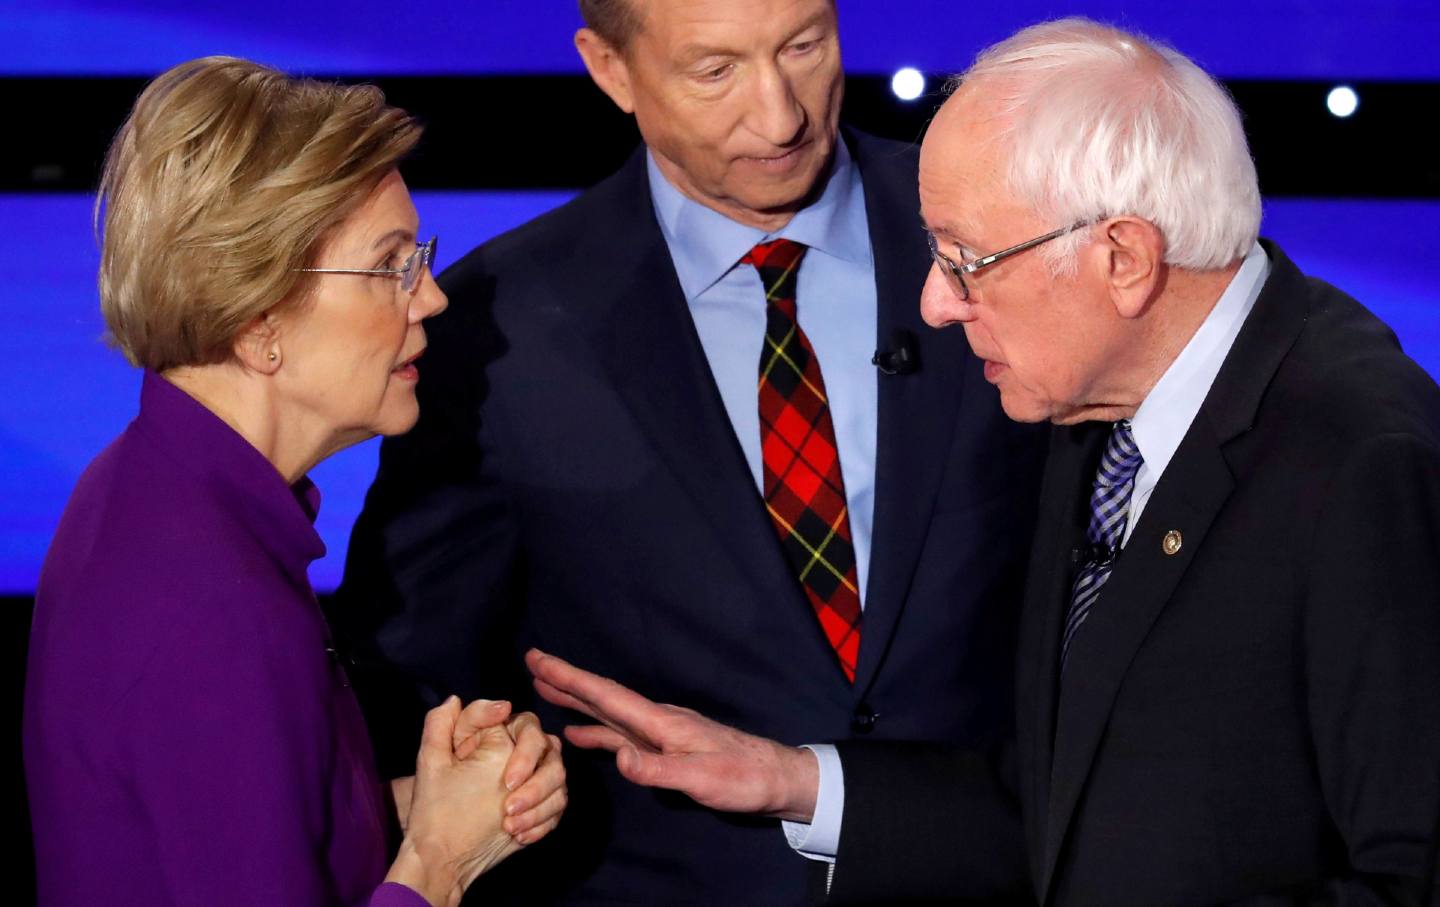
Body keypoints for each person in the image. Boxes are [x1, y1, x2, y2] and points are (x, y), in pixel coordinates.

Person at [525, 17, 1440, 906]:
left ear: (1123, 257)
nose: (934, 304)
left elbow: (1414, 874)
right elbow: (1064, 809)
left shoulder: (1362, 460)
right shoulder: (1097, 415)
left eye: (965, 260)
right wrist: (792, 779)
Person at [335, 0, 1043, 902]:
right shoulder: (495, 330)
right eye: (715, 72)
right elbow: (410, 683)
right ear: (610, 69)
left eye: (804, 46)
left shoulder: (1010, 234)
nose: (781, 114)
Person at [23, 57, 567, 907]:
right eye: (392, 265)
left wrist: (435, 805)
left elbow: (241, 837)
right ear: (258, 323)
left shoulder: (156, 496)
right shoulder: (207, 603)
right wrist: (440, 862)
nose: (430, 300)